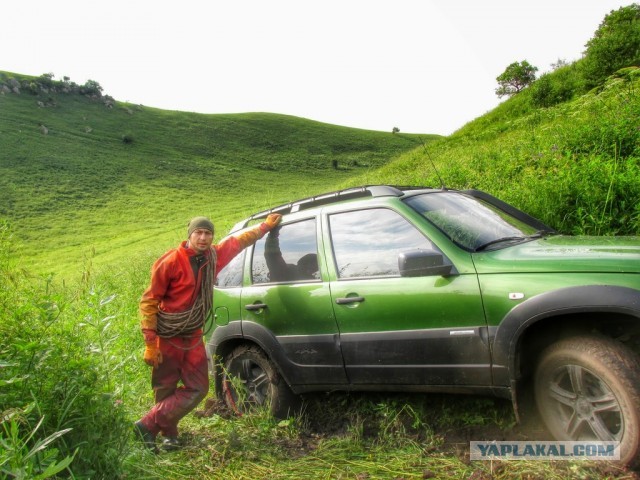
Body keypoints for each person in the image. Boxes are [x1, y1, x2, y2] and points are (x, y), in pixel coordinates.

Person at [134, 213, 282, 452]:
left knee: (199, 388)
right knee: (165, 387)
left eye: (207, 233)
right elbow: (149, 301)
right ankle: (168, 435)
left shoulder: (214, 255)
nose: (203, 238)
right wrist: (150, 342)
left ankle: (146, 425)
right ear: (189, 235)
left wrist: (265, 227)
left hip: (192, 335)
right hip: (167, 336)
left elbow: (240, 241)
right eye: (198, 233)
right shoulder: (171, 261)